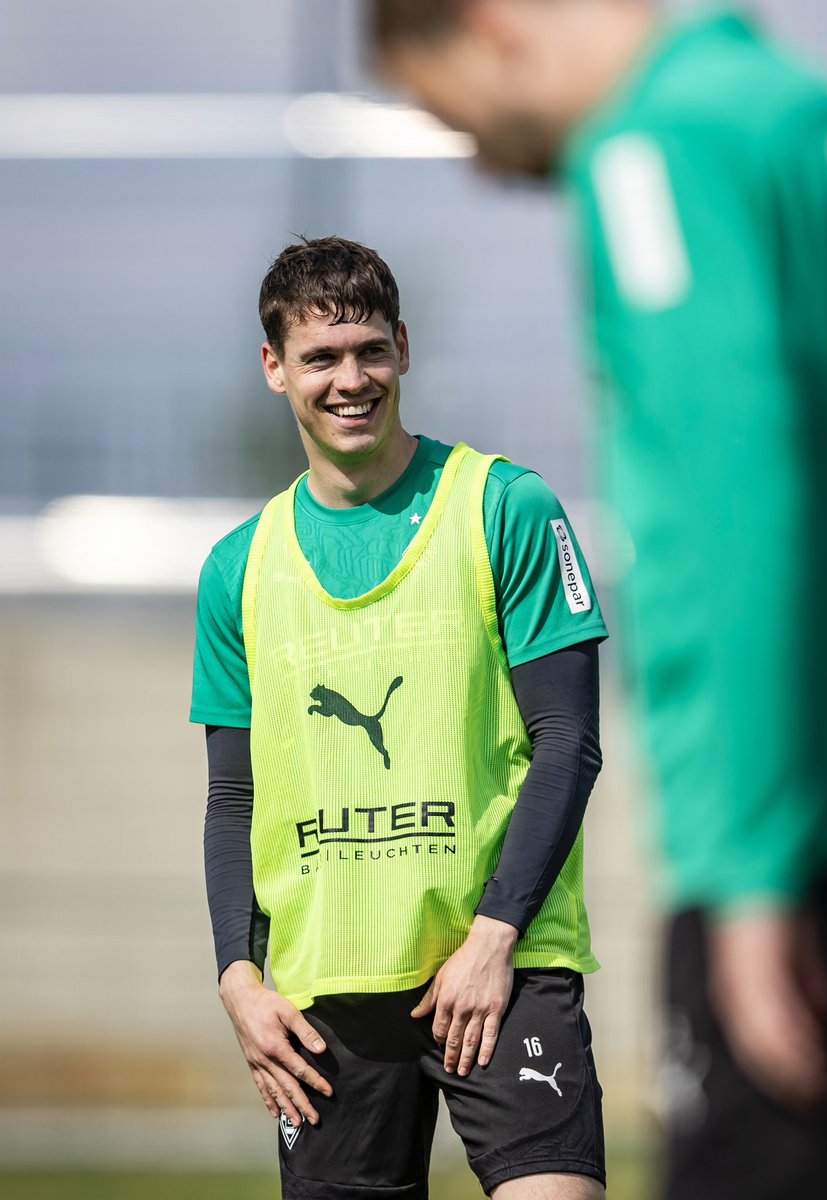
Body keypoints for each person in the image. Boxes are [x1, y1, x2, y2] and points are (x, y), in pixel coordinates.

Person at [371, 3, 827, 1198]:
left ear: (491, 28)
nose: (483, 167)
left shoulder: (656, 150)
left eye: (454, 119)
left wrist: (749, 876)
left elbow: (738, 512)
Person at [190, 236, 609, 1199]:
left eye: (369, 350)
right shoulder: (237, 569)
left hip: (497, 968)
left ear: (404, 350)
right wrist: (237, 979)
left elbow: (569, 743)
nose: (351, 379)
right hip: (323, 992)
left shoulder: (507, 507)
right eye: (321, 357)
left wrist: (496, 934)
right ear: (275, 368)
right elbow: (231, 800)